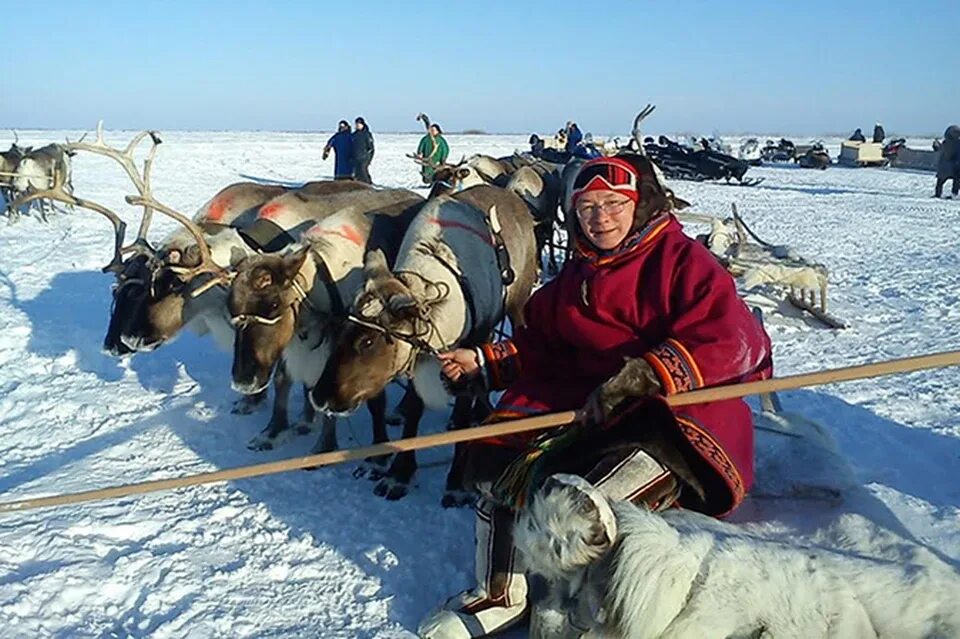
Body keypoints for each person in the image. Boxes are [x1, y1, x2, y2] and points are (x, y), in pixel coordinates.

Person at [418, 155, 773, 638]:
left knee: (579, 508)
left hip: (670, 418)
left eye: (612, 204)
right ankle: (500, 594)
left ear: (639, 204)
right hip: (588, 405)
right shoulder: (579, 274)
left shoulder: (683, 261)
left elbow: (735, 340)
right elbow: (541, 342)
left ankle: (580, 617)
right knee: (505, 474)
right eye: (587, 207)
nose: (600, 217)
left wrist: (645, 376)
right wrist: (483, 362)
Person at [935, 125, 960, 198]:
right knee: (955, 180)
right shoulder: (947, 143)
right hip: (949, 166)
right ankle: (951, 194)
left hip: (952, 166)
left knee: (955, 180)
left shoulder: (953, 143)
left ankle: (953, 194)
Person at [352, 117, 375, 184]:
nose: (357, 125)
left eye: (359, 124)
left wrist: (369, 159)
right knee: (357, 174)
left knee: (363, 172)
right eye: (356, 124)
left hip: (364, 158)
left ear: (363, 124)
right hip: (356, 158)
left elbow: (371, 148)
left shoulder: (366, 134)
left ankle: (368, 184)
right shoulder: (354, 135)